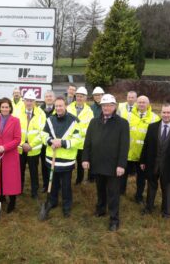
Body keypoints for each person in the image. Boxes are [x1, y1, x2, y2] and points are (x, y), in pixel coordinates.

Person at [82, 94, 129, 231]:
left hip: (114, 166)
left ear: (114, 106)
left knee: (113, 193)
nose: (106, 108)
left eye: (109, 105)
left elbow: (124, 146)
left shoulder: (122, 123)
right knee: (100, 189)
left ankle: (114, 219)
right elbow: (88, 142)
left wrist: (121, 164)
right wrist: (85, 158)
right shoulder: (94, 122)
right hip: (97, 162)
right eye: (104, 105)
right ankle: (101, 209)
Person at [140, 103, 170, 219]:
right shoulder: (152, 127)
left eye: (168, 112)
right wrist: (142, 161)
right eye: (164, 112)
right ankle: (149, 208)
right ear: (161, 113)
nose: (166, 115)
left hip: (169, 166)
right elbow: (146, 145)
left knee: (167, 189)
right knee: (151, 187)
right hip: (152, 164)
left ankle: (166, 212)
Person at [40, 96, 82, 219]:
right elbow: (43, 135)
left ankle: (66, 206)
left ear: (65, 106)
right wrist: (50, 141)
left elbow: (77, 140)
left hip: (66, 162)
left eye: (60, 106)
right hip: (51, 160)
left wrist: (62, 143)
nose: (58, 108)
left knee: (66, 186)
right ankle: (52, 202)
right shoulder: (50, 119)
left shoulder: (74, 121)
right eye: (56, 106)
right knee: (52, 183)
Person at [119, 96, 160, 203]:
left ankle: (139, 196)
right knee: (122, 175)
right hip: (128, 152)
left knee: (141, 178)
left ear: (148, 104)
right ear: (136, 103)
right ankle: (121, 192)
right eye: (139, 102)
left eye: (144, 102)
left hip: (143, 155)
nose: (141, 104)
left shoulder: (155, 118)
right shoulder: (127, 115)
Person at [0, 98, 22, 213]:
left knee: (11, 178)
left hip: (10, 155)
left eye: (7, 107)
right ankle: (1, 196)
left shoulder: (15, 121)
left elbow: (17, 139)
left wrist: (5, 147)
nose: (5, 109)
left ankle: (12, 200)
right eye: (2, 107)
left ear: (10, 108)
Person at [18, 90, 46, 198]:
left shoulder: (41, 114)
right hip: (20, 148)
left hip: (33, 149)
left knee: (34, 172)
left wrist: (31, 145)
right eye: (27, 100)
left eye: (31, 101)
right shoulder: (18, 112)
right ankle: (19, 189)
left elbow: (42, 132)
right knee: (20, 171)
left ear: (35, 102)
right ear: (23, 101)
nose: (29, 103)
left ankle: (34, 191)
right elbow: (14, 131)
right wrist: (22, 144)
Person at [66, 87, 94, 185]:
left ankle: (79, 180)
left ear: (85, 98)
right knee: (68, 162)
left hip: (82, 143)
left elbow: (90, 128)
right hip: (70, 142)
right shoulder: (68, 108)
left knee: (81, 163)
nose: (79, 98)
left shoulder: (89, 111)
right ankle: (67, 179)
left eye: (81, 96)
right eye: (77, 96)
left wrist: (78, 132)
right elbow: (65, 124)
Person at [39, 90, 56, 192]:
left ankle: (55, 185)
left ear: (54, 98)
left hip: (55, 142)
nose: (49, 98)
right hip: (43, 141)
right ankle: (46, 184)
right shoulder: (39, 109)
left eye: (50, 96)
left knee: (54, 164)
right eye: (47, 96)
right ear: (44, 98)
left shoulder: (58, 108)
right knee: (44, 164)